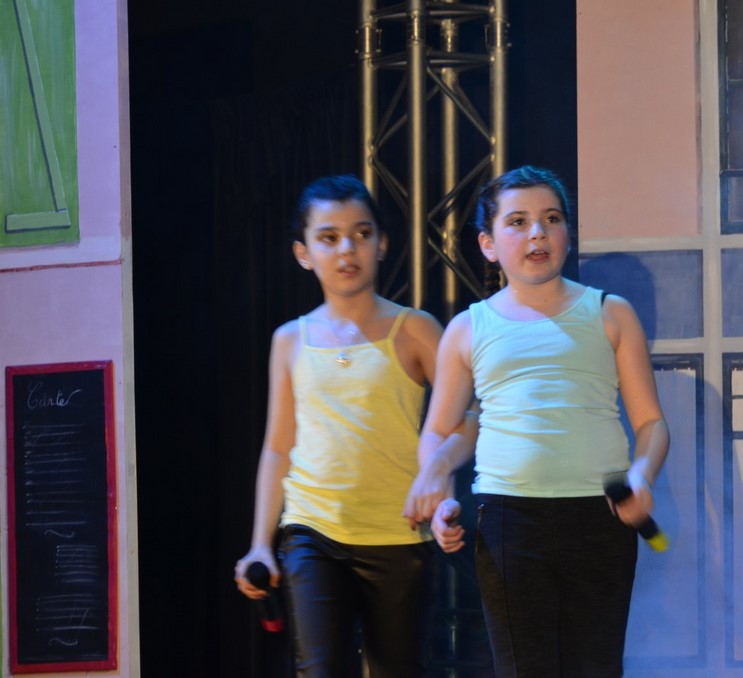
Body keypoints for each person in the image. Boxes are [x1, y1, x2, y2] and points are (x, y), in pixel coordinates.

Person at [402, 166, 670, 677]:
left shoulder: (611, 314)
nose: (537, 233)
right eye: (518, 222)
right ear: (488, 244)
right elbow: (439, 430)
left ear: (568, 233)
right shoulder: (468, 327)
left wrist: (642, 475)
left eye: (551, 219)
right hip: (509, 519)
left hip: (600, 516)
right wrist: (438, 492)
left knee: (596, 668)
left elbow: (652, 423)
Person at [233, 175, 470, 677]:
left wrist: (441, 480)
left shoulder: (415, 329)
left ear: (381, 244)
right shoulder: (289, 340)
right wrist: (260, 543)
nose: (347, 249)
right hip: (312, 531)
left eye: (361, 234)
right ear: (303, 253)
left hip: (399, 533)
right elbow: (278, 448)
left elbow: (470, 412)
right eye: (329, 237)